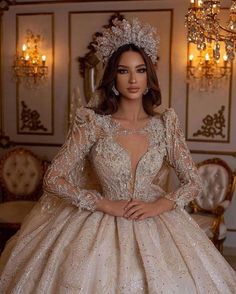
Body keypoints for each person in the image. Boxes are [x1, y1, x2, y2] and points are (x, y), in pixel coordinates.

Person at [0, 18, 236, 294]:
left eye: (140, 70)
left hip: (156, 221)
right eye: (124, 71)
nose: (133, 79)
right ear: (113, 78)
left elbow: (193, 182)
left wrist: (160, 204)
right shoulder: (93, 124)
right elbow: (53, 178)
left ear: (149, 77)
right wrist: (102, 204)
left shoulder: (165, 125)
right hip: (100, 220)